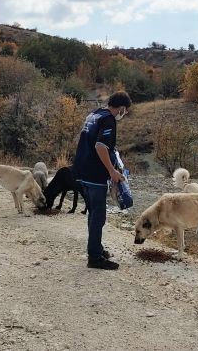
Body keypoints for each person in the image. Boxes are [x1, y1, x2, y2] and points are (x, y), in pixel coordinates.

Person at [72, 91, 132, 270]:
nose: (124, 113)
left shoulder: (94, 114)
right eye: (125, 110)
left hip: (82, 170)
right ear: (121, 108)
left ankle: (96, 248)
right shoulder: (108, 120)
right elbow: (100, 146)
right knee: (98, 216)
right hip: (95, 174)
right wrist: (112, 171)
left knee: (93, 213)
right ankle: (95, 258)